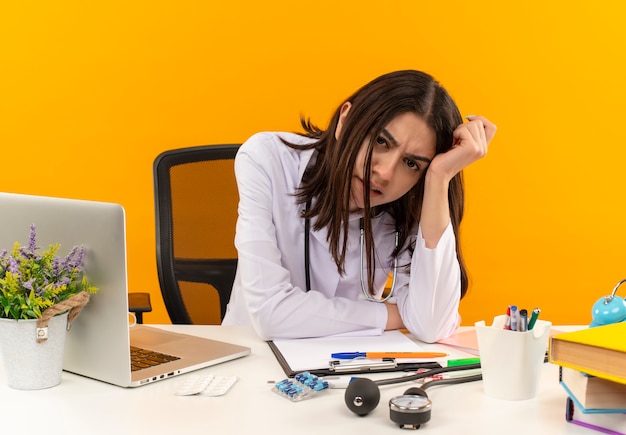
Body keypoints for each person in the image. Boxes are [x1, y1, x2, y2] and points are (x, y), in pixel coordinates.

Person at [221, 70, 497, 342]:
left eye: (412, 163)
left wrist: (438, 178)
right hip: (251, 360)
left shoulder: (411, 199)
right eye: (381, 141)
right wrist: (395, 315)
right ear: (345, 119)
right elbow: (271, 314)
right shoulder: (267, 159)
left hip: (349, 368)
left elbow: (432, 325)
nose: (386, 173)